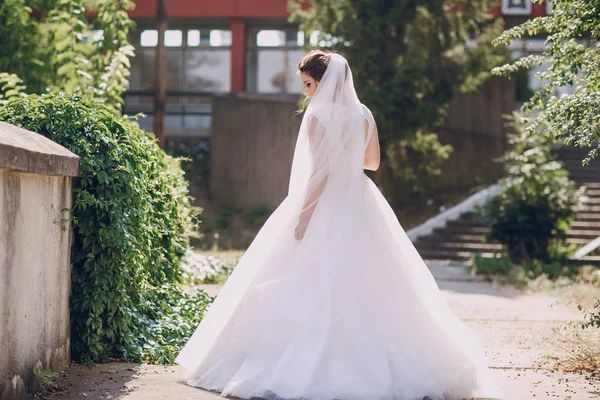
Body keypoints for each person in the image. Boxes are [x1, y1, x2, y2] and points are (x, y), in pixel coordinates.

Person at [175, 50, 502, 400]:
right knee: (375, 281)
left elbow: (319, 174)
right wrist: (348, 155)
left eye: (308, 84)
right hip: (360, 199)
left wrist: (303, 217)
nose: (307, 92)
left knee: (310, 278)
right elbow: (372, 163)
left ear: (322, 81)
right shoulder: (364, 115)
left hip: (327, 201)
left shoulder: (317, 117)